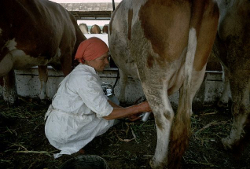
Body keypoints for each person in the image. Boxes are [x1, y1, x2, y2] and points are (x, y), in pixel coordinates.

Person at [44, 37, 152, 158]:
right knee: (109, 119)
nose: (107, 62)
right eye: (103, 58)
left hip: (58, 125)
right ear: (90, 59)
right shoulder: (85, 79)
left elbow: (103, 100)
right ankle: (71, 145)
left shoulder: (83, 71)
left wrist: (126, 113)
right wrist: (138, 108)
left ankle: (73, 143)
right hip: (64, 131)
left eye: (107, 57)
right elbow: (107, 113)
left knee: (113, 106)